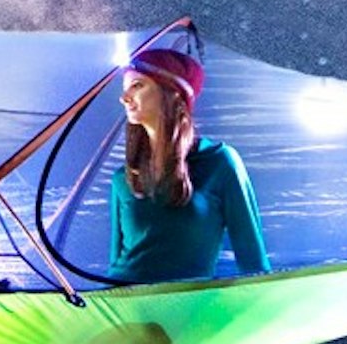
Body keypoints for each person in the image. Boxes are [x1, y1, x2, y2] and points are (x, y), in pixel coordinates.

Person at [106, 42, 268, 285]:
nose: (124, 98)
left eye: (137, 86)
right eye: (125, 89)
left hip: (189, 308)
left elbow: (252, 260)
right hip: (125, 309)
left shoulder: (219, 163)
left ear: (172, 91)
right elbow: (114, 260)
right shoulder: (123, 177)